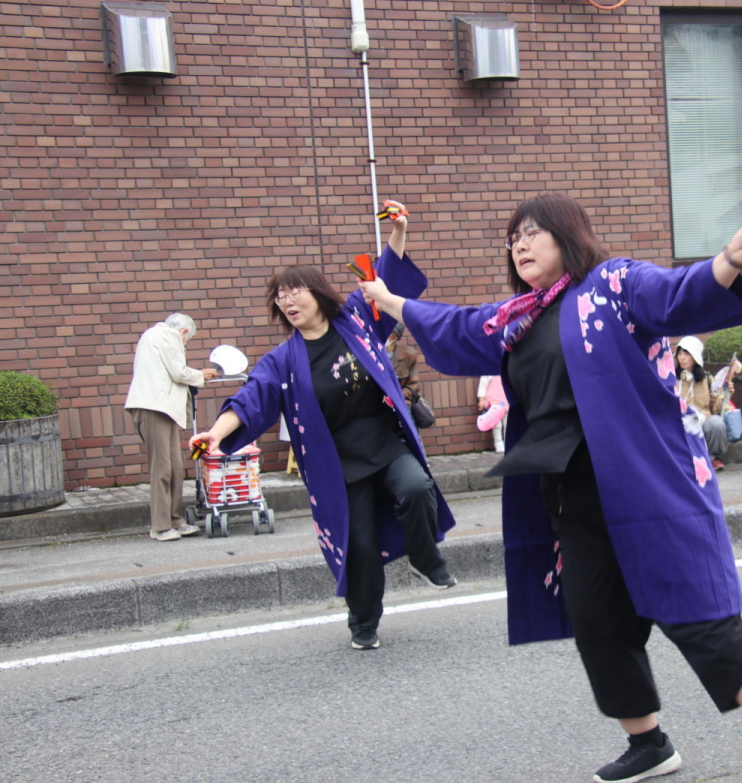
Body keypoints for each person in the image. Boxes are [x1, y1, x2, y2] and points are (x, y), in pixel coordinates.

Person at [358, 193, 742, 783]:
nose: (519, 245)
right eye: (513, 238)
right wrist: (390, 299)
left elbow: (676, 294)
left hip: (644, 482)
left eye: (532, 233)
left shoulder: (614, 283)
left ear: (567, 235)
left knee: (693, 610)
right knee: (596, 618)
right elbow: (456, 327)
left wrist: (728, 259)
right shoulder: (516, 317)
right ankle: (647, 743)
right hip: (569, 494)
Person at [189, 203, 457, 651]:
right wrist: (216, 433)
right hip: (339, 465)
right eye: (280, 297)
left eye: (295, 292)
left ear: (317, 293)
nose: (288, 301)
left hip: (384, 443)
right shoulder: (283, 360)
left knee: (416, 488)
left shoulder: (355, 319)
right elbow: (252, 396)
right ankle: (363, 623)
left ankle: (426, 559)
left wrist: (400, 231)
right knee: (362, 550)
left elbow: (383, 281)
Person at [124, 313, 219, 541]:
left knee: (175, 467)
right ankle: (160, 526)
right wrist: (201, 374)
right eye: (188, 340)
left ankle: (176, 521)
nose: (185, 345)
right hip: (154, 407)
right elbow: (178, 372)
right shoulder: (167, 335)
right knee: (162, 468)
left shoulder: (156, 336)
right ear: (184, 332)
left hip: (162, 408)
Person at [674, 336, 729, 470]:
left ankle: (713, 458)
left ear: (695, 356)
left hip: (703, 422)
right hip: (681, 422)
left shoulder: (707, 379)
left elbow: (716, 410)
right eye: (679, 353)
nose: (682, 357)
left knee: (716, 422)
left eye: (686, 353)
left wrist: (722, 393)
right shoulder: (672, 379)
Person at [476, 374, 508, 453]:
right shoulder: (489, 371)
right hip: (494, 401)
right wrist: (481, 399)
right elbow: (483, 385)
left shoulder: (506, 369)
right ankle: (498, 442)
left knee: (508, 423)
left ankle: (508, 442)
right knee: (496, 423)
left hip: (505, 400)